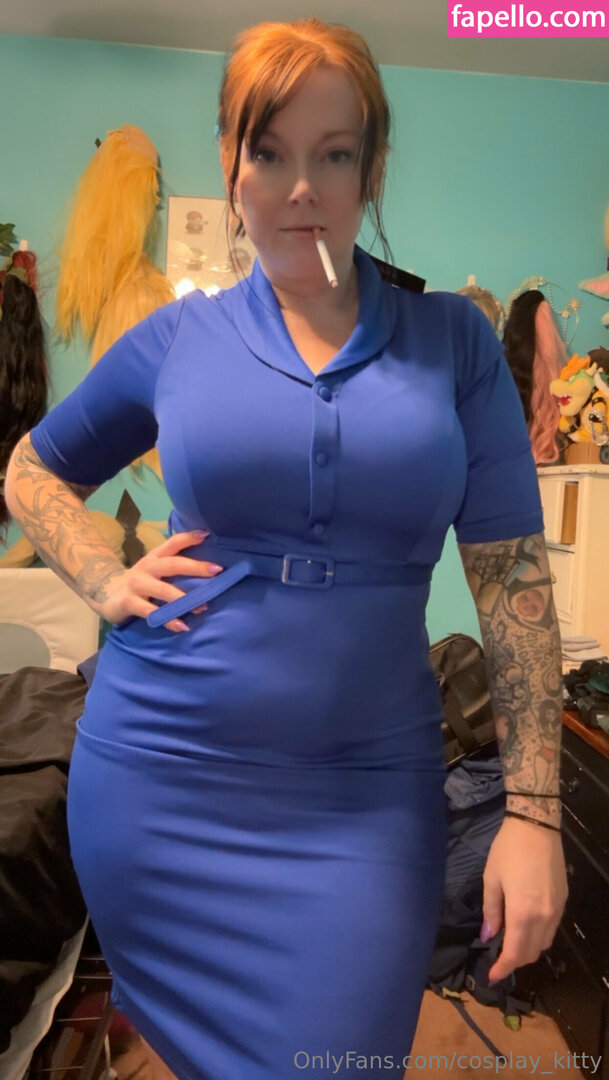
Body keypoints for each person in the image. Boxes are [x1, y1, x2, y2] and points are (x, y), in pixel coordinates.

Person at [5, 17, 567, 1080]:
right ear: (232, 162)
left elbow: (514, 589)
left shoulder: (454, 345)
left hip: (367, 804)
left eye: (334, 153)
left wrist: (534, 813)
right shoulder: (179, 337)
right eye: (269, 152)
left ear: (372, 168)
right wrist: (101, 573)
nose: (300, 187)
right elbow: (32, 468)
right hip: (161, 777)